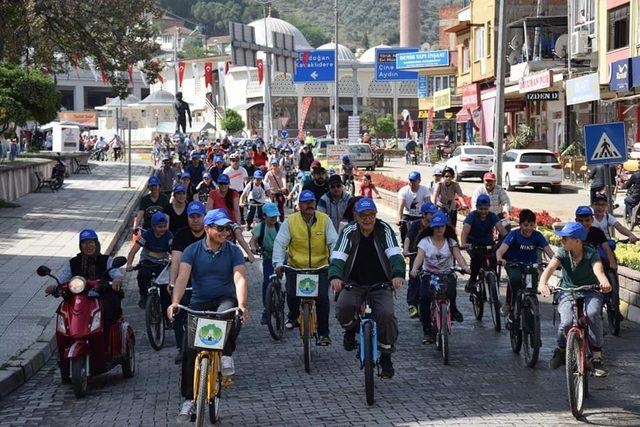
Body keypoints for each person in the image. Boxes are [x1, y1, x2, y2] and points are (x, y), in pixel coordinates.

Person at [167, 209, 248, 421]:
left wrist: (241, 304)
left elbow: (239, 278)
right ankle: (188, 400)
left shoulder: (233, 251)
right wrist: (175, 302)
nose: (225, 232)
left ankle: (226, 354)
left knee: (229, 315)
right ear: (207, 229)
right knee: (189, 350)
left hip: (225, 299)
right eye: (219, 228)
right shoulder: (192, 250)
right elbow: (183, 278)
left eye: (227, 228)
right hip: (199, 302)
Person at [330, 198, 405, 379]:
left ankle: (386, 356)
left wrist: (397, 274)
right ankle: (351, 330)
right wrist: (335, 277)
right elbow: (338, 256)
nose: (368, 219)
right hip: (353, 282)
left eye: (371, 215)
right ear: (356, 216)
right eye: (363, 216)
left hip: (380, 283)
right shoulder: (349, 231)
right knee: (343, 308)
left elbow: (394, 253)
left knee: (386, 315)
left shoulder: (384, 229)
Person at [538, 222, 612, 377]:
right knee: (566, 321)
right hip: (567, 290)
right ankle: (561, 349)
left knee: (592, 314)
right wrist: (542, 282)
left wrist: (604, 281)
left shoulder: (591, 253)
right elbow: (550, 268)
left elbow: (598, 270)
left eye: (565, 238)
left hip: (591, 290)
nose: (562, 241)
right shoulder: (562, 252)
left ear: (578, 240)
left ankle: (596, 357)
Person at [272, 190, 338, 345]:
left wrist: (335, 261)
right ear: (299, 204)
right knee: (292, 294)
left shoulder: (324, 219)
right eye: (305, 202)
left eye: (312, 202)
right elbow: (280, 243)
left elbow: (334, 242)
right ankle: (293, 316)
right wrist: (278, 263)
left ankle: (323, 333)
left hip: (320, 266)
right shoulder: (291, 221)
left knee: (322, 298)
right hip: (296, 267)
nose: (309, 205)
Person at [46, 229, 124, 345]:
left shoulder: (106, 260)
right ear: (80, 245)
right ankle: (64, 349)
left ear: (96, 244)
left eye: (91, 242)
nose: (88, 246)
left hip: (102, 296)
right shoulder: (73, 262)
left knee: (107, 314)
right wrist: (55, 286)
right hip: (79, 299)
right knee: (64, 312)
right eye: (84, 243)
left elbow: (116, 273)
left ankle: (105, 347)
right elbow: (63, 279)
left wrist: (117, 279)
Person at [410, 211, 470, 343]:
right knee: (424, 298)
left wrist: (465, 267)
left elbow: (458, 256)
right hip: (428, 274)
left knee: (451, 290)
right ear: (431, 227)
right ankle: (427, 330)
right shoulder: (425, 242)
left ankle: (453, 309)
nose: (439, 229)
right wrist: (414, 269)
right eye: (436, 226)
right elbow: (419, 257)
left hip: (446, 273)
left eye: (441, 226)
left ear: (445, 227)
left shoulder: (450, 242)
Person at [495, 209, 554, 316]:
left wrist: (557, 262)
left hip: (531, 266)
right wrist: (500, 259)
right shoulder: (514, 234)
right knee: (515, 279)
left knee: (531, 290)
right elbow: (500, 250)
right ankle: (510, 304)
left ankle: (530, 314)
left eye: (532, 225)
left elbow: (550, 253)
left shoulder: (537, 236)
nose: (529, 228)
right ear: (520, 224)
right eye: (526, 225)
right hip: (514, 265)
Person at [169, 201, 206, 364]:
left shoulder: (211, 233)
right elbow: (176, 260)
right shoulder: (180, 235)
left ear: (204, 217)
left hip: (206, 282)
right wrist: (172, 282)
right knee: (178, 311)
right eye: (192, 217)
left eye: (199, 216)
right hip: (186, 281)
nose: (196, 220)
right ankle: (180, 347)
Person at [126, 211, 173, 308]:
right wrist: (129, 264)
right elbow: (134, 250)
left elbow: (174, 250)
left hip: (162, 262)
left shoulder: (169, 236)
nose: (162, 229)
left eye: (164, 226)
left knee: (165, 283)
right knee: (142, 275)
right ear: (153, 227)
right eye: (160, 227)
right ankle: (143, 296)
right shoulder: (146, 235)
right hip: (147, 261)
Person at [461, 194, 507, 291]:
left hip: (488, 244)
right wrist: (464, 244)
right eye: (481, 209)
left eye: (486, 209)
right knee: (477, 258)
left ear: (489, 207)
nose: (483, 211)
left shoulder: (492, 216)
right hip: (473, 244)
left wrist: (505, 240)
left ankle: (493, 282)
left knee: (494, 258)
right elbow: (465, 232)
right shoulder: (472, 216)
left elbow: (503, 231)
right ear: (477, 207)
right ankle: (472, 279)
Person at [404, 201, 439, 318]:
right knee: (414, 278)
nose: (434, 216)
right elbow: (408, 238)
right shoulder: (416, 225)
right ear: (424, 215)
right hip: (416, 254)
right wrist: (405, 250)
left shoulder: (436, 226)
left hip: (431, 255)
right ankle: (412, 304)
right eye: (431, 214)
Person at [249, 203, 281, 324]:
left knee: (283, 280)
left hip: (280, 258)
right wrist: (253, 248)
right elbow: (252, 241)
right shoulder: (261, 227)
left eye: (275, 216)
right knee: (267, 283)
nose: (274, 218)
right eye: (271, 216)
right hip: (268, 257)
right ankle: (266, 308)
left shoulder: (280, 226)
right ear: (264, 216)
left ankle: (280, 302)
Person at [397, 171, 431, 244]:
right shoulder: (404, 190)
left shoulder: (424, 190)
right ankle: (403, 245)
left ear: (419, 181)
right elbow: (401, 206)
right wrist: (399, 219)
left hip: (419, 215)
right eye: (410, 180)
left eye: (414, 181)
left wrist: (429, 217)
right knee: (404, 228)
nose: (412, 183)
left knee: (422, 232)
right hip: (407, 214)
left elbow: (428, 205)